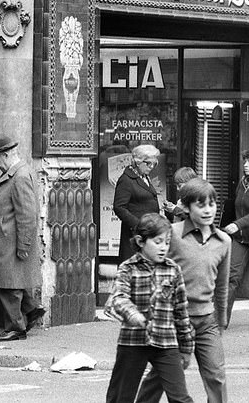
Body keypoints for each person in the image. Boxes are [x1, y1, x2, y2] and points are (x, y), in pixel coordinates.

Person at [136, 177, 231, 403]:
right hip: (175, 320)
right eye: (200, 205)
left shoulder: (224, 241)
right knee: (163, 374)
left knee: (216, 376)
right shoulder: (172, 234)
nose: (208, 210)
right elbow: (151, 268)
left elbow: (222, 285)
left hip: (207, 320)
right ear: (187, 207)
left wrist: (222, 319)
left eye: (212, 204)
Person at [104, 213, 194, 403]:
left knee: (180, 397)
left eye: (167, 243)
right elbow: (118, 297)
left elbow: (181, 312)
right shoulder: (128, 268)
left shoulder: (173, 270)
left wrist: (186, 347)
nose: (163, 248)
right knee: (121, 396)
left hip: (166, 342)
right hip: (133, 341)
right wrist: (133, 314)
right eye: (158, 242)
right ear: (141, 241)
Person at [0, 137, 45, 342]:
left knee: (9, 286)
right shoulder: (16, 173)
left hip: (10, 240)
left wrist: (24, 245)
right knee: (9, 281)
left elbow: (27, 214)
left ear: (6, 155)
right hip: (5, 239)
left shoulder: (20, 176)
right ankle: (31, 310)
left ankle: (16, 328)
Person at [113, 144, 162, 263]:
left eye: (154, 164)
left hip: (148, 233)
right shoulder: (126, 179)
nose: (151, 167)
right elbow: (119, 207)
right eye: (148, 163)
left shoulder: (144, 176)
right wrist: (137, 226)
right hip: (135, 236)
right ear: (137, 162)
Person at [223, 149, 249, 324]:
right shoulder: (243, 183)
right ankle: (220, 319)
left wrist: (237, 224)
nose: (246, 165)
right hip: (241, 239)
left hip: (240, 230)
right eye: (245, 161)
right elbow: (235, 206)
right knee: (231, 277)